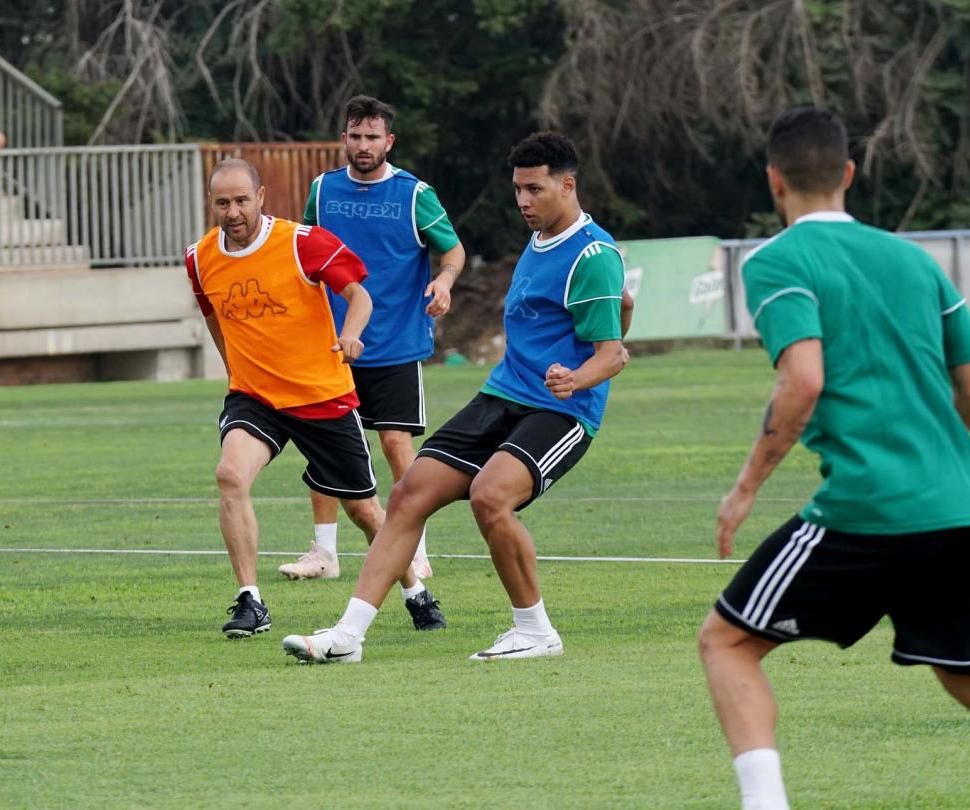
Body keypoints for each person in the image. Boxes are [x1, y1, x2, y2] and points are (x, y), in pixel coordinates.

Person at [697, 106, 970, 810]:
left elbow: (804, 380)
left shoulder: (779, 260)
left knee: (726, 642)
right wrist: (929, 453)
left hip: (869, 507)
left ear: (773, 181)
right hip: (962, 504)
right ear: (848, 173)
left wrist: (746, 488)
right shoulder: (914, 259)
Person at [282, 131, 634, 663]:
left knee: (491, 496)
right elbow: (622, 303)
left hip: (562, 411)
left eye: (535, 190)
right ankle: (347, 636)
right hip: (503, 393)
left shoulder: (593, 252)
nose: (523, 201)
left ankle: (535, 631)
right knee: (411, 492)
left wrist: (577, 378)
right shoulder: (542, 241)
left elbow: (614, 354)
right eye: (517, 189)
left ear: (567, 185)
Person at [184, 158, 446, 639]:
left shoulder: (303, 242)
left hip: (320, 396)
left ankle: (414, 590)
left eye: (242, 200)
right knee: (229, 475)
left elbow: (360, 295)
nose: (233, 211)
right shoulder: (199, 258)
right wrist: (234, 371)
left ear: (261, 198)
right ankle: (250, 601)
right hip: (255, 397)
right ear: (212, 204)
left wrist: (350, 335)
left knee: (364, 511)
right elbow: (214, 318)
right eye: (222, 202)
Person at [277, 95, 466, 585]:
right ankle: (324, 552)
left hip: (397, 344)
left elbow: (453, 252)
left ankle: (415, 549)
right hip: (332, 344)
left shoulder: (414, 194)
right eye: (355, 136)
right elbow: (307, 255)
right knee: (325, 446)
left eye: (373, 137)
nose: (363, 146)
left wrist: (443, 283)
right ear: (344, 139)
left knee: (395, 444)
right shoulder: (322, 190)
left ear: (389, 141)